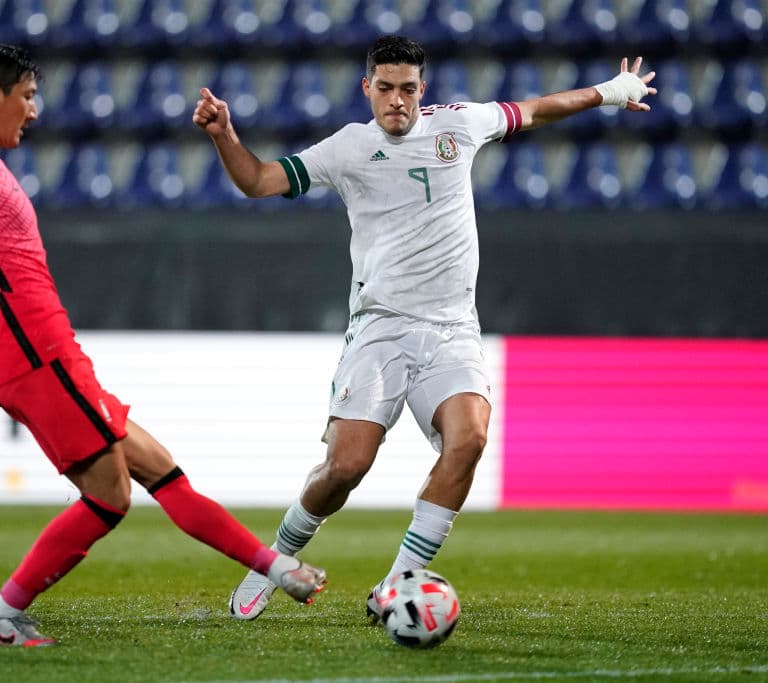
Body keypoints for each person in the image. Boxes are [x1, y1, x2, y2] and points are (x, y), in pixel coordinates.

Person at [193, 35, 656, 621]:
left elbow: (536, 109)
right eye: (384, 88)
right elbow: (259, 181)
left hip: (452, 329)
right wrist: (223, 136)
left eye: (407, 89)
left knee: (470, 439)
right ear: (367, 88)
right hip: (381, 327)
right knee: (346, 468)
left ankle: (399, 585)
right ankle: (275, 560)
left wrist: (613, 92)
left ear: (422, 89)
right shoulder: (348, 149)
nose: (396, 101)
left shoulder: (459, 127)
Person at [0, 42, 326, 647]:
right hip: (35, 355)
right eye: (27, 96)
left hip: (50, 353)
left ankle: (277, 569)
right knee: (110, 496)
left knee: (164, 474)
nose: (35, 110)